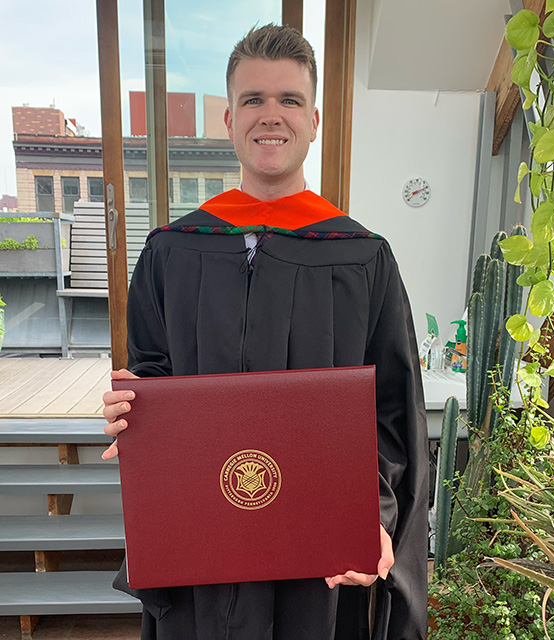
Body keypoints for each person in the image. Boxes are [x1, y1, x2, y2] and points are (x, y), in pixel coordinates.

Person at [101, 24, 428, 640]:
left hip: (319, 554)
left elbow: (392, 411)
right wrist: (134, 414)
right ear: (228, 117)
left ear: (315, 120)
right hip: (205, 543)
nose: (270, 116)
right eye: (253, 99)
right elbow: (152, 376)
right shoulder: (172, 252)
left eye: (289, 100)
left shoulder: (362, 257)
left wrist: (374, 516)